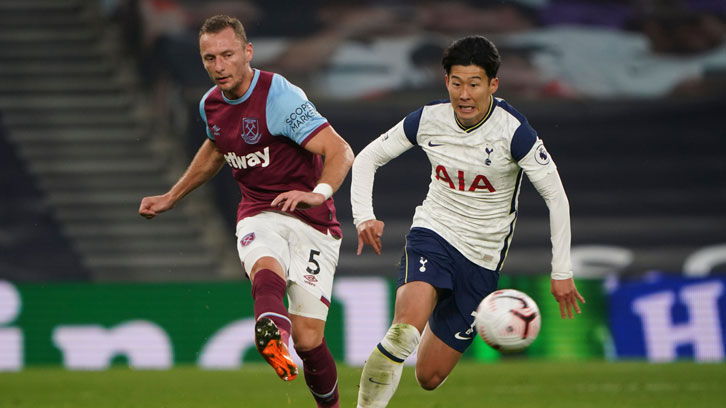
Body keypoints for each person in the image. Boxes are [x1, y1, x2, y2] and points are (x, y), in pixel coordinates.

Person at [350, 35, 586, 407]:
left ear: (493, 84)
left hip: (482, 259)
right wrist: (364, 215)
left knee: (428, 377)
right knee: (402, 334)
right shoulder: (428, 119)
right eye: (456, 83)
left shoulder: (514, 132)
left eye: (474, 84)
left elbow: (556, 196)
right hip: (434, 234)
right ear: (446, 82)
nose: (464, 94)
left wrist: (562, 271)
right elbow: (367, 158)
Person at [138, 15, 353, 408]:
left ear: (247, 52)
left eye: (226, 55)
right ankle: (272, 330)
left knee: (310, 340)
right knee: (264, 261)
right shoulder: (210, 105)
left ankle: (327, 398)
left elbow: (339, 151)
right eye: (209, 58)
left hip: (312, 221)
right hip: (259, 210)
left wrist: (318, 193)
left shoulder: (280, 96)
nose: (218, 67)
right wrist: (173, 196)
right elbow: (217, 146)